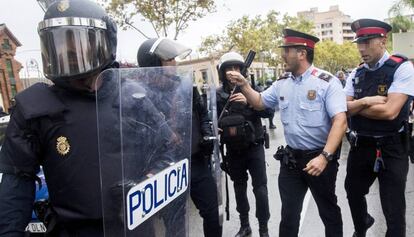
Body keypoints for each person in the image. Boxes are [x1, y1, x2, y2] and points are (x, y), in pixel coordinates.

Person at [0, 1, 161, 236]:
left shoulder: (133, 97)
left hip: (135, 226)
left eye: (77, 42)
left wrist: (149, 180)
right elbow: (16, 187)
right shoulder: (35, 109)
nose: (68, 53)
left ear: (105, 44)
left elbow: (168, 149)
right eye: (59, 44)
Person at [227, 29, 347, 237]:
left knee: (329, 212)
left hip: (320, 159)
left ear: (301, 53)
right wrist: (245, 85)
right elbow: (259, 102)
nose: (283, 55)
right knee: (289, 216)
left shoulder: (326, 82)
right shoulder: (282, 82)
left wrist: (325, 157)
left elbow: (340, 120)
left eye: (287, 50)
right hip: (291, 160)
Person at [137, 38, 222, 237]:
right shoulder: (142, 94)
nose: (175, 63)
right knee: (175, 223)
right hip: (168, 167)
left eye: (174, 59)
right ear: (153, 64)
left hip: (196, 161)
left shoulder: (186, 86)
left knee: (212, 212)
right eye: (169, 60)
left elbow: (202, 115)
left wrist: (207, 134)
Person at [344, 18, 414, 237]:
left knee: (393, 208)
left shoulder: (402, 68)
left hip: (392, 146)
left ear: (383, 40)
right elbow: (340, 109)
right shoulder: (356, 74)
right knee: (353, 191)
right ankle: (362, 224)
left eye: (367, 42)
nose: (361, 48)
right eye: (358, 43)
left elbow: (390, 112)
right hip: (361, 145)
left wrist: (354, 106)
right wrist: (366, 101)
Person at [217, 52, 271, 237]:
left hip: (254, 146)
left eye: (236, 68)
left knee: (260, 190)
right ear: (222, 72)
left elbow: (268, 112)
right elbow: (210, 119)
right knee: (239, 188)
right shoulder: (218, 94)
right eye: (229, 69)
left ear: (242, 70)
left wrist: (249, 101)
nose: (233, 72)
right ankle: (245, 225)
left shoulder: (253, 88)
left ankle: (264, 229)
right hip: (233, 150)